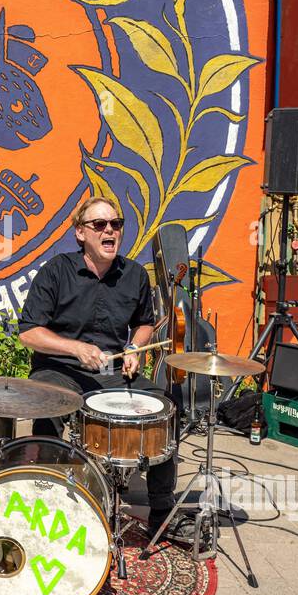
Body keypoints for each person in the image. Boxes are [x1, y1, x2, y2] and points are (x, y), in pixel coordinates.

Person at [16, 195, 182, 544]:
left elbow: (144, 323)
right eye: (100, 225)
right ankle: (42, 504)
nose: (110, 230)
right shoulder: (56, 271)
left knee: (163, 408)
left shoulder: (134, 274)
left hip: (111, 371)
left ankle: (161, 511)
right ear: (80, 233)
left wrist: (135, 348)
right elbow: (29, 333)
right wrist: (74, 347)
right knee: (49, 408)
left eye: (116, 224)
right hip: (58, 368)